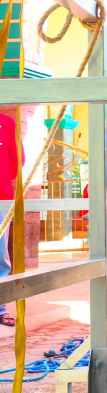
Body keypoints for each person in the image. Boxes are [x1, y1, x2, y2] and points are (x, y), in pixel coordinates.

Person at [0, 112, 22, 327]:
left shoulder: (6, 123)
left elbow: (17, 159)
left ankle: (0, 306)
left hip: (0, 197)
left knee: (0, 255)